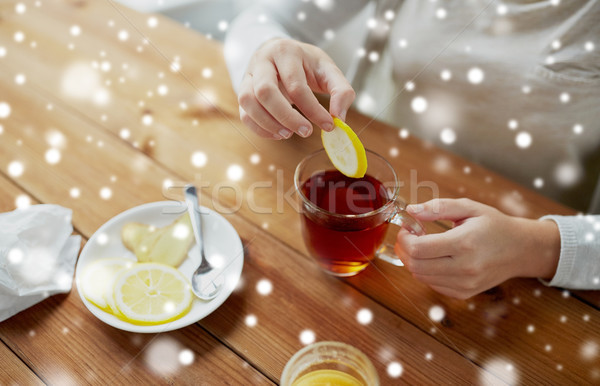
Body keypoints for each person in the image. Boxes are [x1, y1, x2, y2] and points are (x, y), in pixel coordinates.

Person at [224, 0, 600, 298]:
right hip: (395, 158)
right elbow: (260, 17)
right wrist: (266, 54)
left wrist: (537, 247)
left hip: (533, 228)